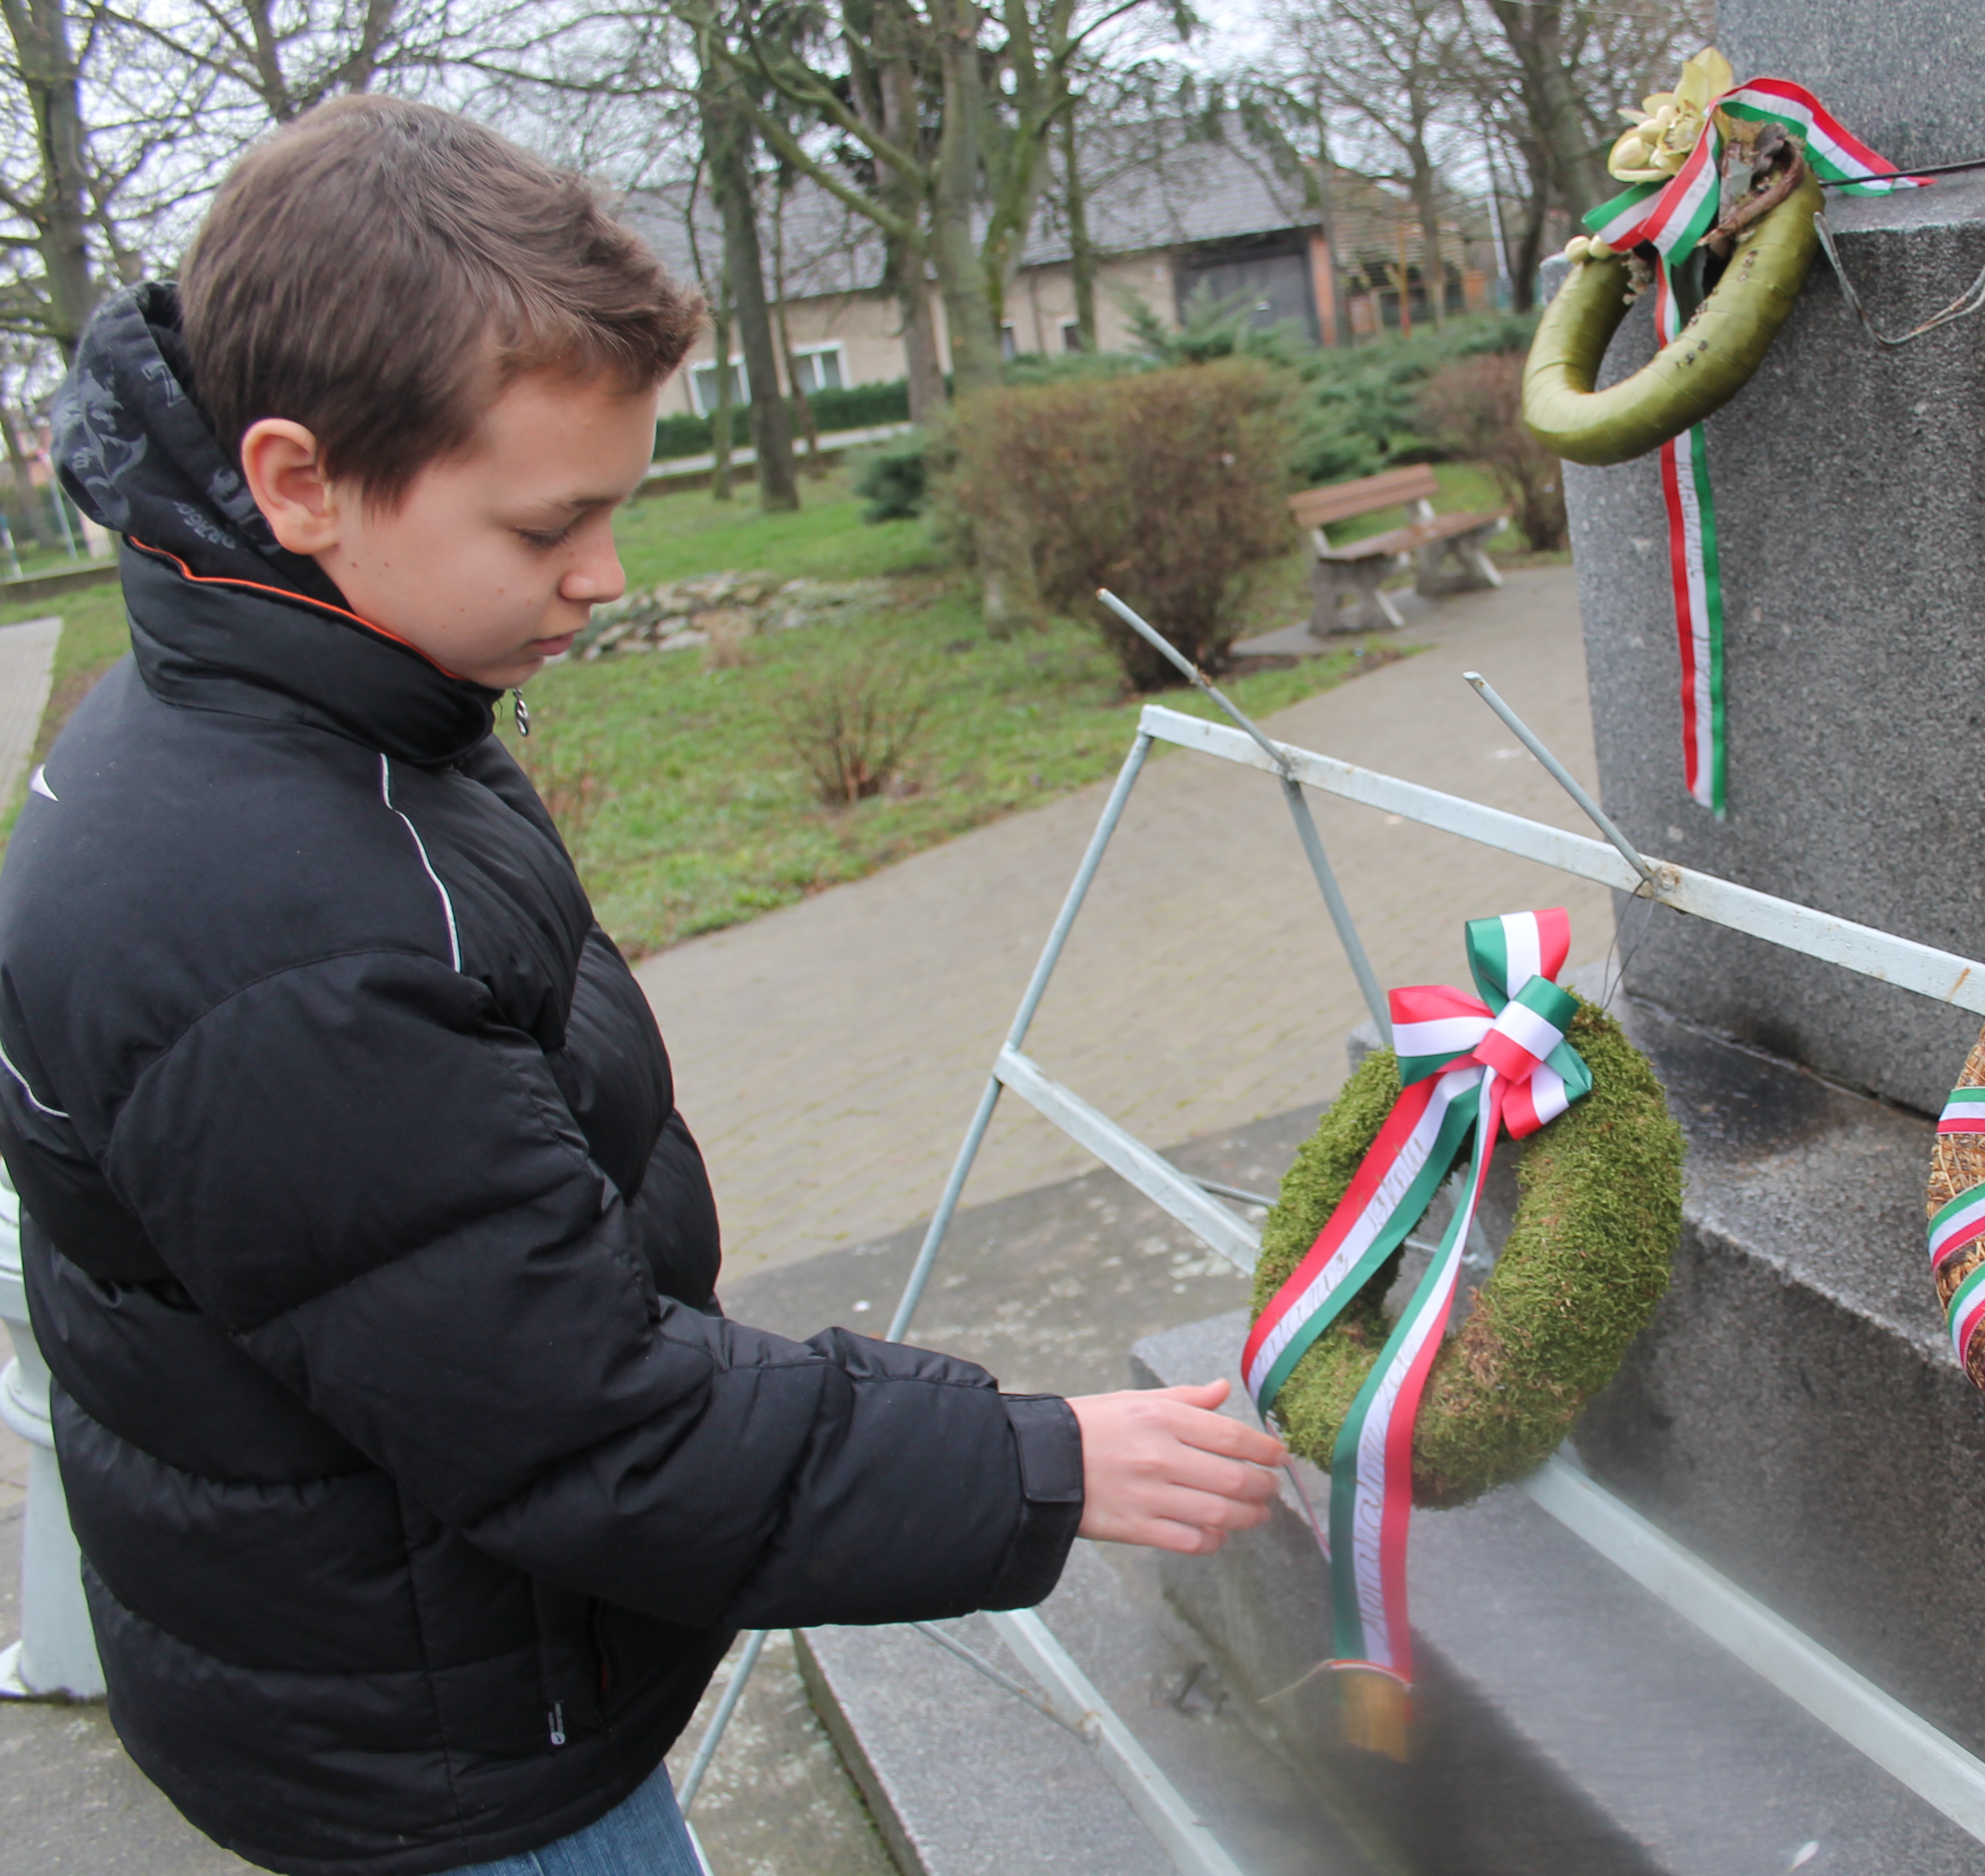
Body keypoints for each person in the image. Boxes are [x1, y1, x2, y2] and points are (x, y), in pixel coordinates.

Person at [5, 94, 1283, 1876]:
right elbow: (588, 1428)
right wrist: (1039, 1464)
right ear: (298, 482)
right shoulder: (283, 929)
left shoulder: (316, 697)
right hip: (455, 1764)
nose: (603, 578)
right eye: (551, 528)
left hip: (425, 1655)